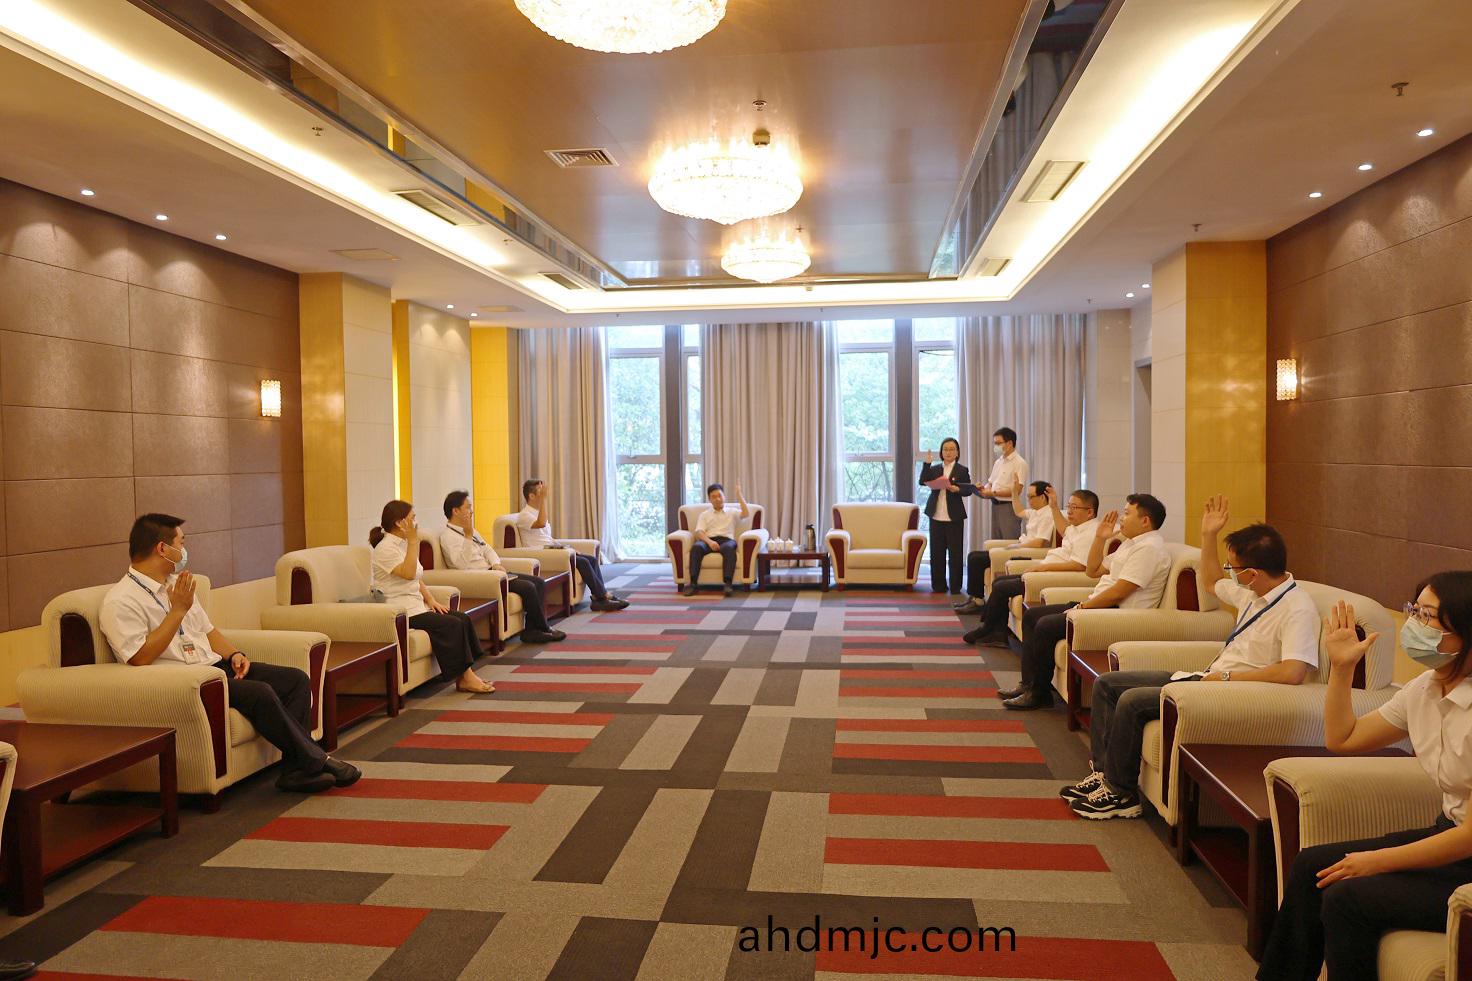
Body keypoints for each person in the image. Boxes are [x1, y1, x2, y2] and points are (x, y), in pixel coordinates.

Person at [1256, 572, 1472, 981]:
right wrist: (1342, 668)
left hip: (1466, 856)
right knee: (1311, 866)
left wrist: (1375, 861)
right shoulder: (1424, 689)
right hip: (1450, 837)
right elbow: (1344, 738)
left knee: (1347, 897)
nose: (1415, 625)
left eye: (1428, 617)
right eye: (1415, 611)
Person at [1066, 498, 1319, 819]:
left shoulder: (1296, 609)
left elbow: (1293, 672)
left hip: (1233, 691)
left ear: (1252, 573)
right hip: (1207, 678)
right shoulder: (1254, 594)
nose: (1230, 574)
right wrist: (1208, 535)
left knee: (1132, 702)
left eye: (1234, 569)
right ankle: (1104, 775)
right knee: (1108, 684)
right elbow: (1211, 582)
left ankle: (1122, 793)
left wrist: (1227, 677)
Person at [100, 514, 359, 794]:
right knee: (260, 693)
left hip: (215, 667)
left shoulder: (176, 584)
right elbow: (139, 657)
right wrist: (177, 612)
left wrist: (235, 654)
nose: (185, 551)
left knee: (295, 680)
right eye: (181, 543)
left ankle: (295, 771)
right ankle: (318, 760)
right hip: (190, 681)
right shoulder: (121, 601)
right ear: (162, 548)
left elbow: (208, 630)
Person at [1002, 493, 1172, 710]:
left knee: (1045, 626)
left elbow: (1118, 592)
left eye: (1127, 513)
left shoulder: (1149, 549)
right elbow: (1093, 571)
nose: (1121, 518)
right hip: (1100, 605)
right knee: (1033, 616)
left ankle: (1039, 693)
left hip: (1117, 613)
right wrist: (1100, 538)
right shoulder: (1132, 543)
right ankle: (1028, 685)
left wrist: (1082, 608)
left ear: (1145, 520)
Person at [371, 501, 495, 693]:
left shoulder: (403, 544)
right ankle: (466, 678)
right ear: (399, 523)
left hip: (416, 606)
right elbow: (409, 573)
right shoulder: (385, 548)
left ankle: (466, 675)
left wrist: (430, 600)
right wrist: (414, 542)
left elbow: (417, 578)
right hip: (402, 611)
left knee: (462, 618)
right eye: (412, 518)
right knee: (452, 625)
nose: (416, 522)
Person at [962, 487, 1098, 645]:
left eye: (1074, 507)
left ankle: (989, 630)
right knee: (999, 582)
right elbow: (1063, 529)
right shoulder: (1078, 527)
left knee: (1001, 587)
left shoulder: (1090, 533)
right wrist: (1054, 506)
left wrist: (1043, 568)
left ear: (1090, 512)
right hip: (1045, 570)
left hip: (1052, 575)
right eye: (1069, 506)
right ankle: (996, 630)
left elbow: (1078, 565)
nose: (1069, 511)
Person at [440, 490, 565, 645]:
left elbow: (487, 549)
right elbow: (460, 564)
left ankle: (532, 630)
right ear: (455, 511)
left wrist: (496, 564)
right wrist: (467, 537)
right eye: (468, 507)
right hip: (481, 577)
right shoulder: (447, 536)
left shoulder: (471, 531)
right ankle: (543, 628)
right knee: (528, 587)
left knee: (538, 582)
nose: (471, 511)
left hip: (493, 572)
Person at [516, 479, 629, 612]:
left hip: (551, 550)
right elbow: (540, 524)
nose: (545, 493)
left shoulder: (538, 513)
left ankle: (599, 598)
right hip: (541, 554)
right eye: (541, 491)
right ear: (531, 496)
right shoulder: (524, 515)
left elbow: (548, 539)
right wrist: (544, 500)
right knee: (583, 562)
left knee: (591, 559)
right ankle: (602, 597)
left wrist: (567, 548)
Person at [954, 478, 1054, 614]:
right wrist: (1014, 493)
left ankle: (977, 601)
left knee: (976, 559)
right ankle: (975, 598)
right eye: (1027, 496)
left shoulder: (1047, 515)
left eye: (1031, 497)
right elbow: (1019, 511)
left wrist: (1018, 546)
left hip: (1027, 552)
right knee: (974, 556)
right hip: (1022, 547)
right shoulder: (1035, 511)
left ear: (1042, 497)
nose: (1029, 500)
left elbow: (1039, 543)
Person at [918, 438, 973, 595]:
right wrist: (927, 464)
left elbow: (968, 490)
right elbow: (922, 481)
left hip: (954, 517)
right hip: (936, 515)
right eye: (945, 449)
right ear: (941, 452)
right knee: (937, 552)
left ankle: (955, 586)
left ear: (957, 452)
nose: (948, 452)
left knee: (955, 553)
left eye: (951, 449)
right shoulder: (935, 469)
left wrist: (957, 489)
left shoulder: (962, 470)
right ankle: (938, 585)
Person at [685, 482, 750, 597]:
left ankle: (728, 584)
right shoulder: (705, 514)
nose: (718, 499)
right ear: (709, 499)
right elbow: (699, 532)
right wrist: (710, 542)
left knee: (729, 548)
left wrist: (739, 494)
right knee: (696, 547)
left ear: (724, 496)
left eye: (720, 495)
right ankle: (693, 584)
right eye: (714, 497)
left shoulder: (732, 511)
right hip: (709, 540)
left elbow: (746, 513)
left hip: (727, 540)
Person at [976, 427, 1029, 540]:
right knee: (996, 542)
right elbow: (991, 483)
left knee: (1009, 542)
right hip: (995, 506)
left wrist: (993, 493)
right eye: (995, 443)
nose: (996, 447)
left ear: (1009, 443)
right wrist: (983, 489)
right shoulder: (998, 462)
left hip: (1009, 508)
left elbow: (1017, 491)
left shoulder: (1019, 463)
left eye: (998, 443)